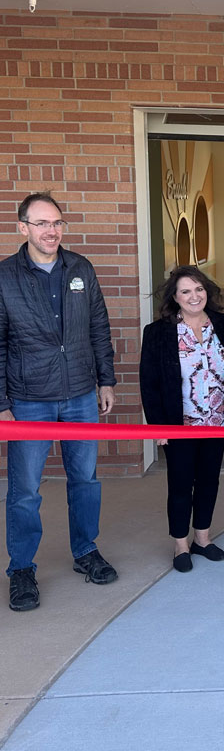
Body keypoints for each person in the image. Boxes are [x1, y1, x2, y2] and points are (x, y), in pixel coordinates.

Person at [0, 193, 117, 612]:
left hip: (82, 394)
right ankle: (21, 569)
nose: (52, 231)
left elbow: (99, 327)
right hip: (29, 399)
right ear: (23, 227)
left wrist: (106, 381)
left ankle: (85, 551)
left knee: (85, 480)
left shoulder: (80, 267)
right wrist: (1, 404)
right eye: (42, 223)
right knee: (26, 490)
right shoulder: (5, 276)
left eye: (57, 223)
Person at [139, 266, 224, 572]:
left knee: (208, 480)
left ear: (207, 291)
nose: (194, 296)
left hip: (218, 420)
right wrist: (158, 427)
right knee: (180, 483)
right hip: (180, 424)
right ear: (174, 297)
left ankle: (202, 539)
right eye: (186, 291)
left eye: (199, 289)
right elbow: (149, 383)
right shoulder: (158, 333)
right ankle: (180, 544)